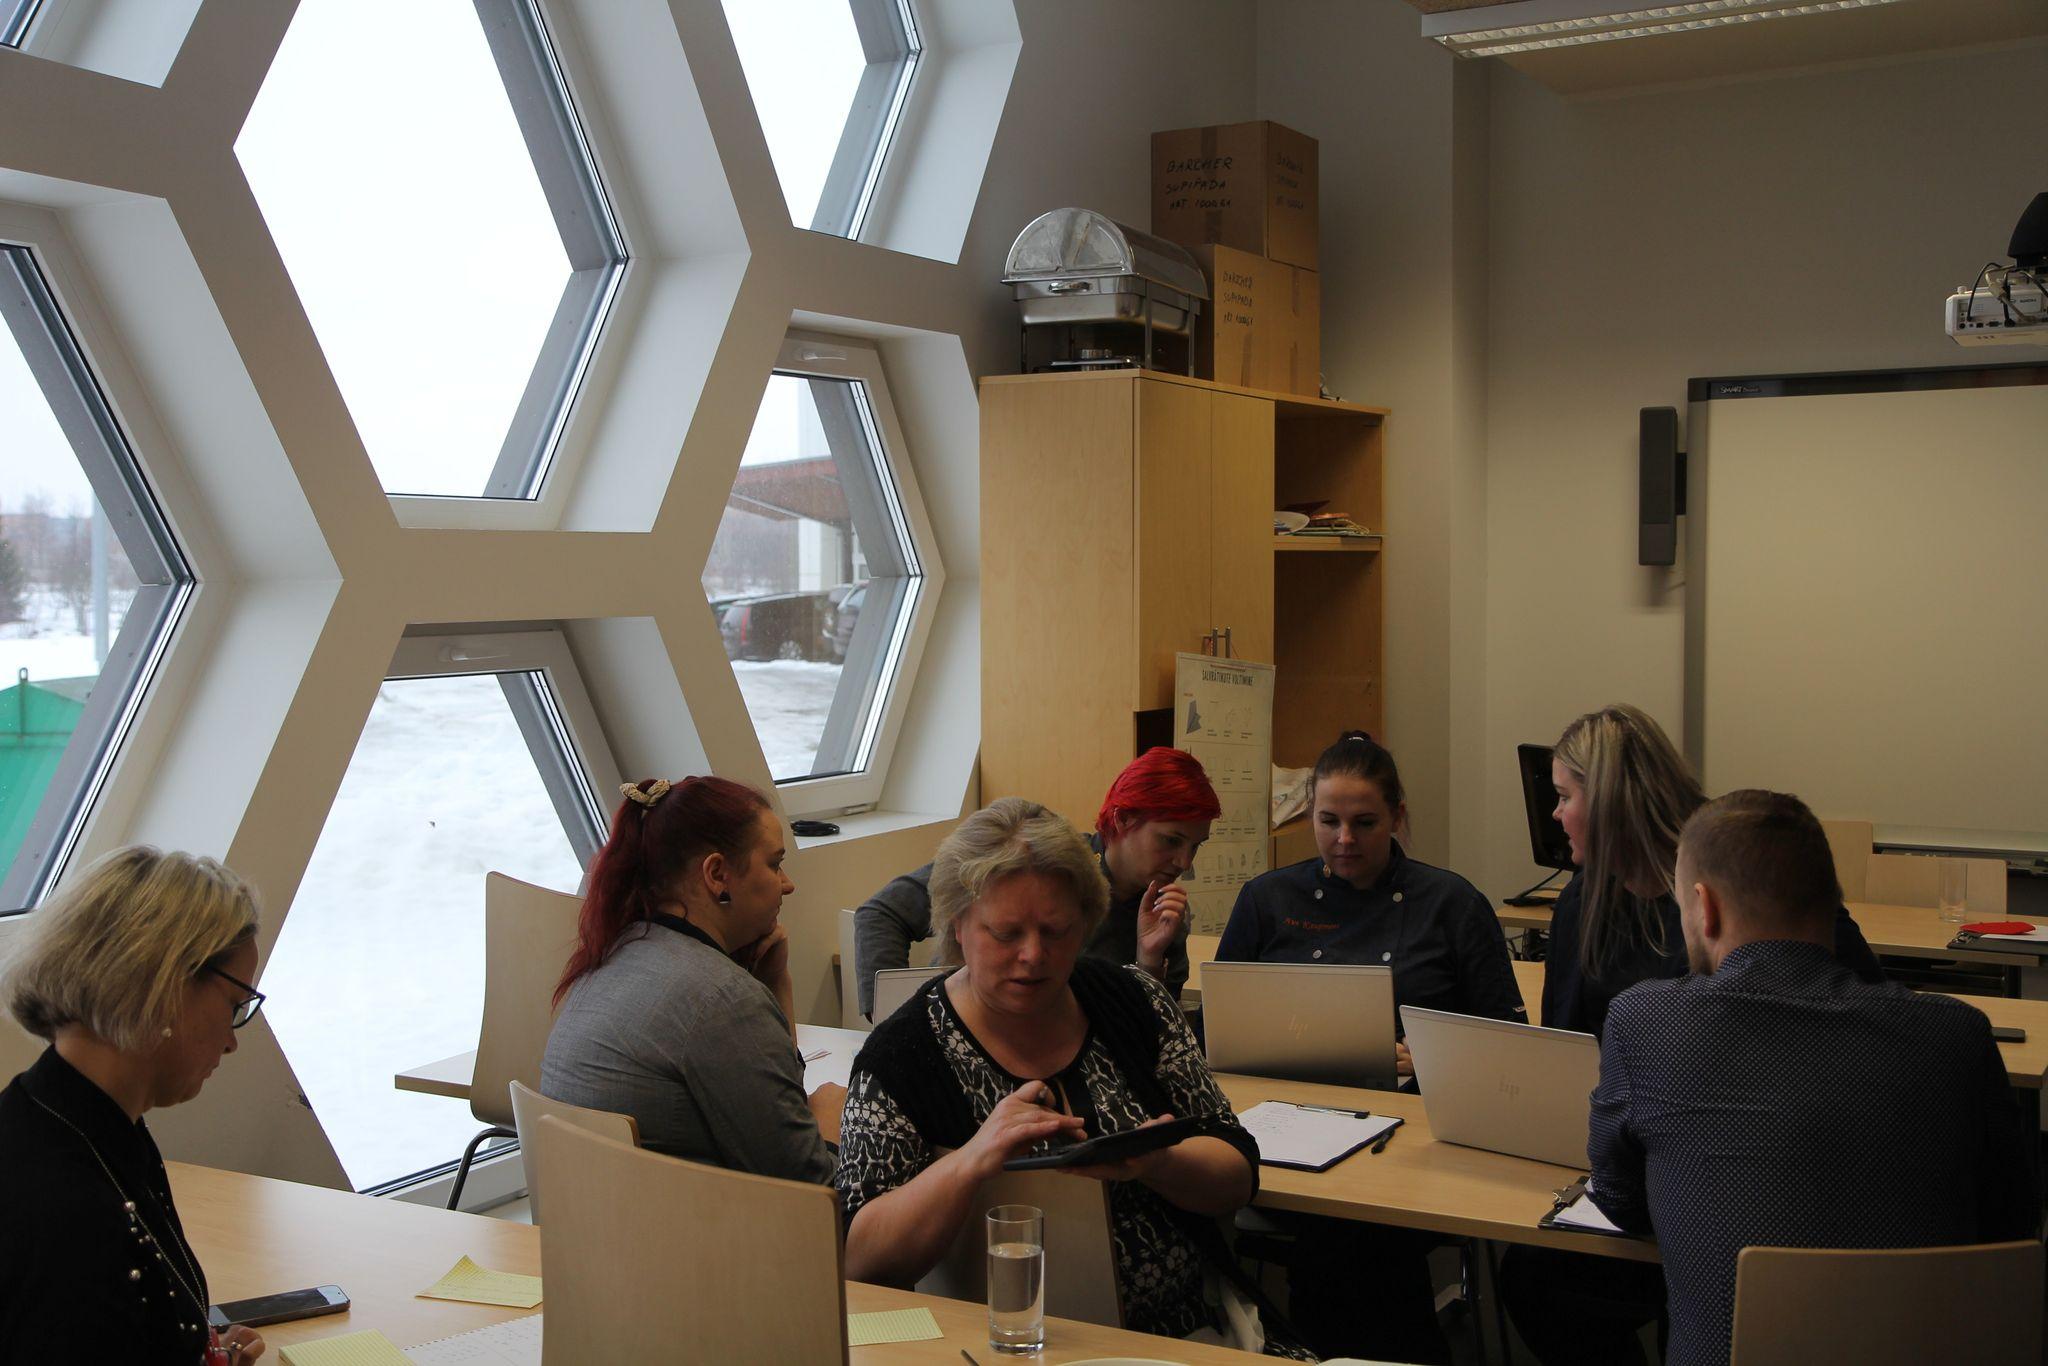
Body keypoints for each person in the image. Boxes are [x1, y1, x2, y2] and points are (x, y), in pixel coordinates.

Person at [1584, 789, 2039, 1366]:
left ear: (1704, 907)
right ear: (1831, 900)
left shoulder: (1645, 1023)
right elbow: (2010, 1225)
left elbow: (1619, 1202)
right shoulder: (1958, 1036)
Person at [1504, 703, 1884, 1364]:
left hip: (1754, 1158)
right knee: (1532, 1279)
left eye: (1564, 797)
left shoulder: (1748, 889)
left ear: (1609, 800)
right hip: (1635, 1159)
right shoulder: (1583, 901)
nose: (1555, 815)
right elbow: (1567, 1048)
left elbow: (1856, 1017)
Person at [836, 798, 1284, 1349]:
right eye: (1006, 933)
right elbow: (861, 1261)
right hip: (994, 1347)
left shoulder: (1134, 1002)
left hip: (1177, 1336)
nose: (1034, 955)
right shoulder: (902, 1055)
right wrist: (971, 1162)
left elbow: (1238, 1173)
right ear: (958, 925)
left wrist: (1161, 1162)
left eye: (1056, 931)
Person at [1217, 730, 1520, 1365]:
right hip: (1286, 1121)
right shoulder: (1268, 900)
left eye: (1364, 823)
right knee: (1336, 1240)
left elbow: (1506, 1046)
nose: (1344, 840)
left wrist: (1432, 1056)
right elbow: (1222, 1031)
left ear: (1398, 817)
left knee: (1353, 1242)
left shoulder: (1451, 904)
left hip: (1413, 1137)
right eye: (1328, 821)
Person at [0, 846, 271, 1364]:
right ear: (163, 982)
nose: (232, 1042)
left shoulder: (72, 1123)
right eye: (234, 1006)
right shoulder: (66, 1211)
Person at [541, 776, 836, 1183]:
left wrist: (773, 981)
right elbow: (810, 1184)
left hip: (590, 1216)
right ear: (717, 874)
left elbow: (775, 1110)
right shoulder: (723, 999)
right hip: (685, 1221)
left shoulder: (614, 954)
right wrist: (832, 1123)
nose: (787, 884)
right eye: (774, 863)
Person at [852, 747, 1220, 1018]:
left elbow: (1157, 1035)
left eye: (1195, 846)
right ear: (1123, 820)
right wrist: (898, 1021)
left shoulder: (1165, 913)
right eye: (1170, 841)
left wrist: (1149, 961)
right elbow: (881, 913)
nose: (1184, 863)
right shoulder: (1042, 861)